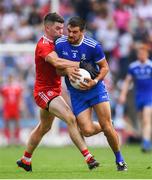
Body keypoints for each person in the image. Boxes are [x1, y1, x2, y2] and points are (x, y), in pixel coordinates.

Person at [16, 13, 99, 172]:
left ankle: (26, 159)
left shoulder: (59, 43)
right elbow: (56, 62)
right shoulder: (44, 45)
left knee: (44, 128)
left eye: (62, 28)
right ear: (47, 28)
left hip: (54, 90)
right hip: (43, 92)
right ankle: (89, 157)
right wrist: (81, 64)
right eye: (58, 28)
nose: (62, 32)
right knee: (70, 118)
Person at [55, 16, 127, 171]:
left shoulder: (93, 46)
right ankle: (107, 125)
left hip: (95, 89)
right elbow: (57, 70)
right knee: (87, 131)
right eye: (69, 31)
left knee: (107, 128)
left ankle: (120, 160)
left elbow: (105, 68)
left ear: (83, 32)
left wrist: (95, 81)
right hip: (76, 93)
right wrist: (67, 70)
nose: (71, 35)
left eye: (74, 32)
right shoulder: (60, 44)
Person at [119, 43, 152, 152]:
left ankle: (146, 143)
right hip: (139, 96)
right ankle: (147, 140)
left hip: (149, 95)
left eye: (143, 53)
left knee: (147, 119)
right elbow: (127, 81)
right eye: (139, 53)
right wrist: (123, 94)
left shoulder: (150, 66)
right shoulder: (133, 66)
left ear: (147, 54)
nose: (141, 55)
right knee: (142, 120)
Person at [0, 74, 23, 145]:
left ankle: (17, 138)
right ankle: (8, 139)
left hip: (15, 108)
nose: (10, 80)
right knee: (6, 123)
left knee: (17, 123)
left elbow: (20, 98)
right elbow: (2, 97)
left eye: (11, 78)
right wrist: (1, 106)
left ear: (13, 79)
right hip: (7, 108)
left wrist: (21, 106)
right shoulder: (4, 88)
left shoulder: (17, 88)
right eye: (9, 78)